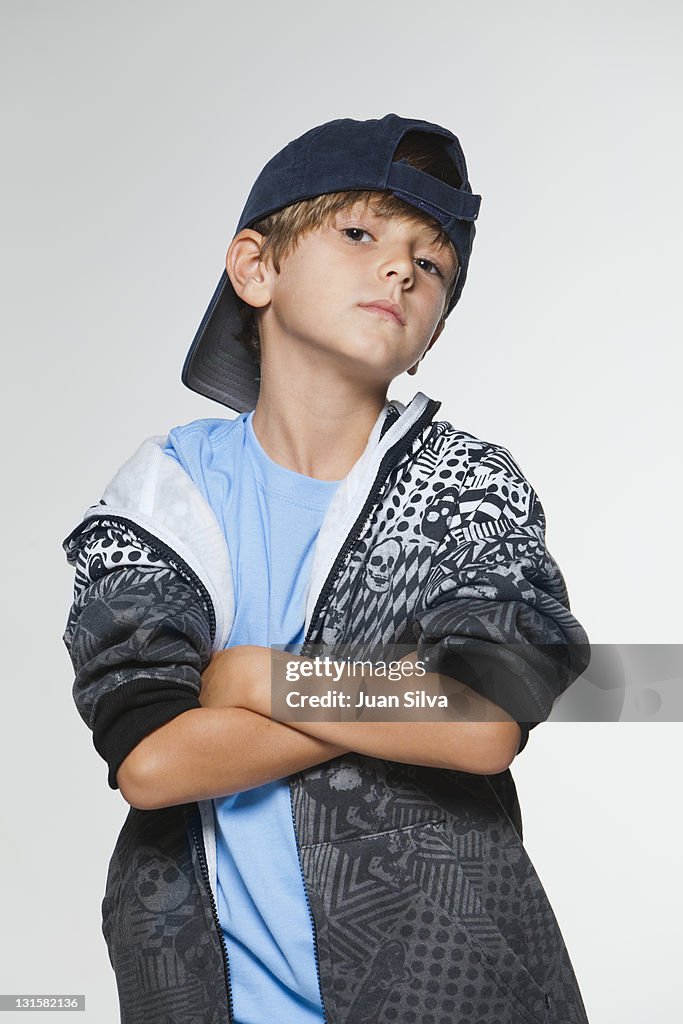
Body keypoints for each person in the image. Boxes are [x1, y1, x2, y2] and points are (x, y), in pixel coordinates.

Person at [62, 113, 591, 1024]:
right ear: (256, 268)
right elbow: (153, 760)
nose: (399, 268)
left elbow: (484, 721)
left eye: (431, 265)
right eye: (359, 234)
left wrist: (254, 679)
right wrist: (407, 694)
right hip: (208, 989)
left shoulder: (466, 486)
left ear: (431, 329)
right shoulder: (162, 496)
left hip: (455, 985)